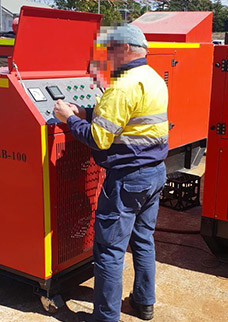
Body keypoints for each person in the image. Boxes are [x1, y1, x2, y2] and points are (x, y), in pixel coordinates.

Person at [53, 24, 168, 322]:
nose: (108, 56)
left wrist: (68, 118)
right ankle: (144, 304)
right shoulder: (154, 79)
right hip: (154, 174)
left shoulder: (122, 85)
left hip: (127, 181)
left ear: (127, 49)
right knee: (143, 239)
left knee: (109, 251)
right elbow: (129, 119)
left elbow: (98, 139)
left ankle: (105, 317)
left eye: (112, 50)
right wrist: (87, 113)